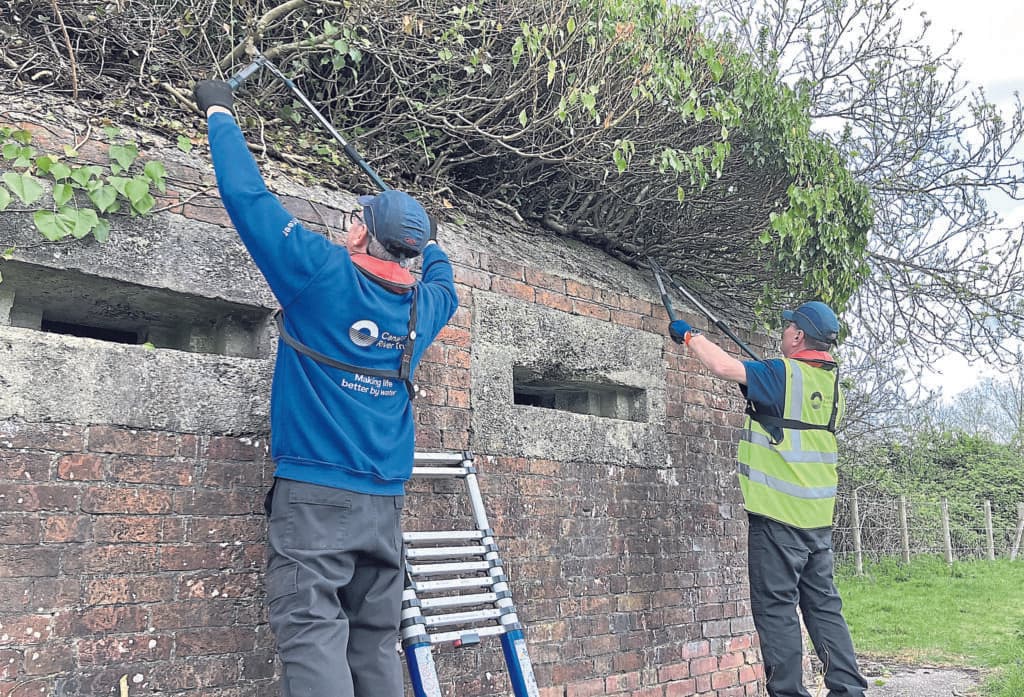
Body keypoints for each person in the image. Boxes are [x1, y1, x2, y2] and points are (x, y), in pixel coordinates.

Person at [194, 79, 459, 697]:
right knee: (373, 643)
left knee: (312, 635)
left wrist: (220, 114)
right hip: (384, 504)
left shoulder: (317, 272)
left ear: (364, 234)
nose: (347, 223)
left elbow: (246, 196)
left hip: (316, 497)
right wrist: (434, 242)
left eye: (354, 218)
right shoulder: (423, 308)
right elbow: (444, 279)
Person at [668, 302, 867, 697]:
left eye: (788, 326)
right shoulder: (830, 387)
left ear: (797, 336)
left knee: (776, 610)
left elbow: (724, 367)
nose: (784, 332)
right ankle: (848, 690)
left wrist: (688, 334)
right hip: (817, 519)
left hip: (777, 518)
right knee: (823, 607)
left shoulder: (781, 373)